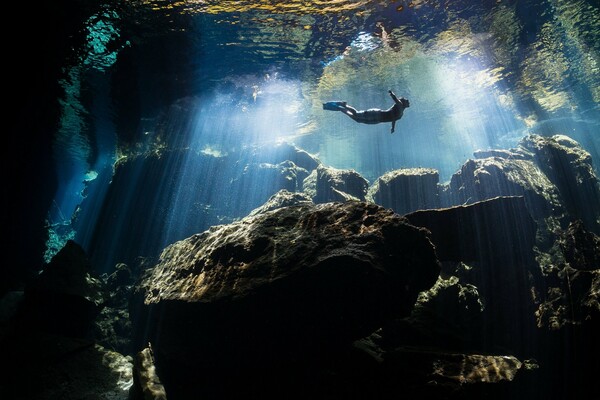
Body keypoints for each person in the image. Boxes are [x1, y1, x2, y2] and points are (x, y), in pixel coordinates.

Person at [323, 90, 410, 133]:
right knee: (356, 117)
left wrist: (393, 127)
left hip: (377, 119)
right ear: (403, 102)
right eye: (406, 100)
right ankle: (341, 107)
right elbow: (396, 99)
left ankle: (343, 105)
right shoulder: (399, 105)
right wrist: (392, 93)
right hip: (376, 114)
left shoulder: (401, 110)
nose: (408, 101)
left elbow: (393, 118)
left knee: (357, 116)